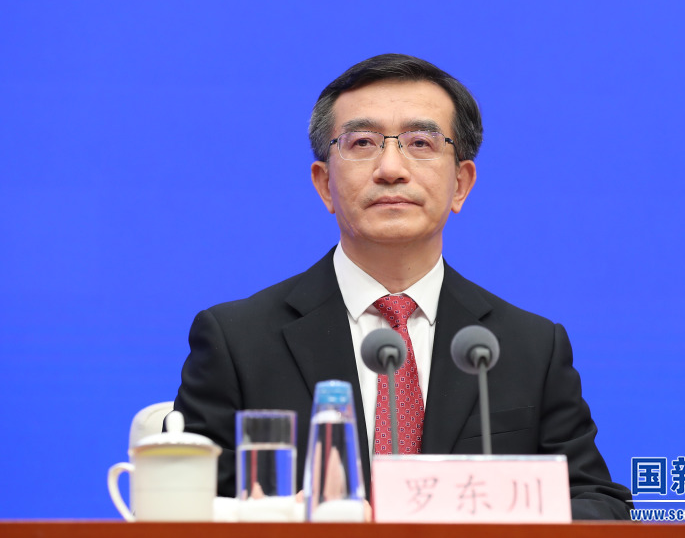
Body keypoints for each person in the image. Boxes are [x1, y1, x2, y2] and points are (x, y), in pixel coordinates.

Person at [174, 53, 632, 520]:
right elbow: (178, 508)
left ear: (461, 184)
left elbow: (600, 504)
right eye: (363, 142)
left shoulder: (529, 347)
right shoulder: (238, 341)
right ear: (324, 184)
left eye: (420, 143)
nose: (391, 168)